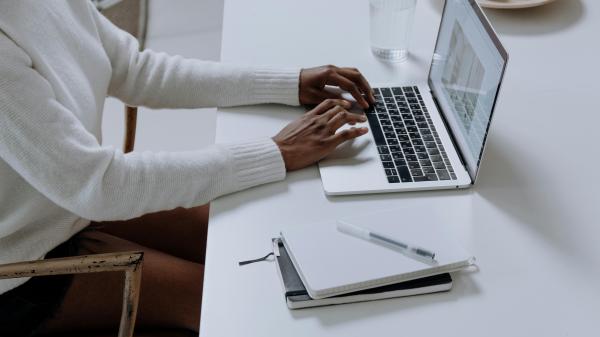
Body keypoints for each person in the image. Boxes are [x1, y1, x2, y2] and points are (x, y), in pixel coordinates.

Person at [0, 1, 375, 336]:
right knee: (239, 306)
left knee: (253, 238)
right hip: (22, 272)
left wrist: (286, 83)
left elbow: (133, 68)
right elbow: (102, 186)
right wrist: (276, 151)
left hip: (66, 204)